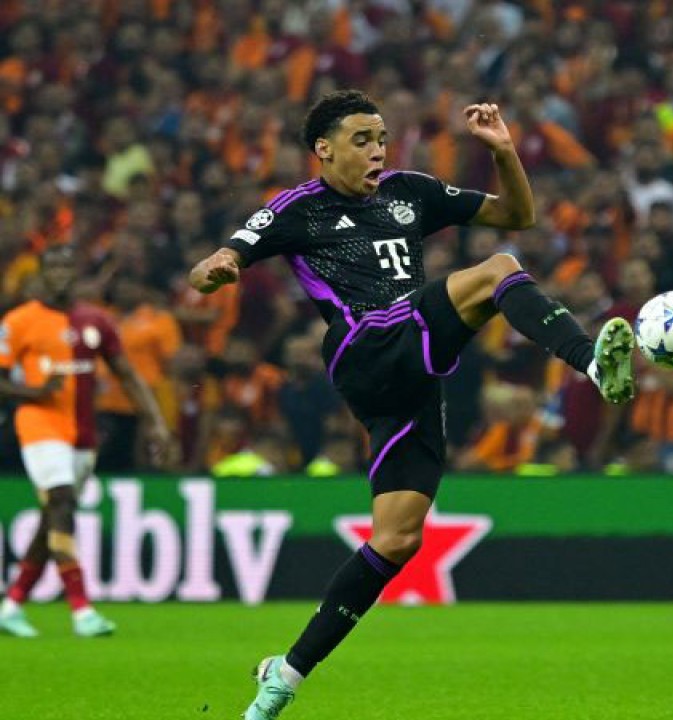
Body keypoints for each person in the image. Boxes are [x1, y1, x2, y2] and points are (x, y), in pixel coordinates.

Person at [187, 90, 635, 720]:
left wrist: (504, 151)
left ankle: (281, 678)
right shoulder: (297, 209)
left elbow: (517, 213)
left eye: (381, 139)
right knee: (498, 269)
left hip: (410, 379)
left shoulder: (408, 193)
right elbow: (220, 260)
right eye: (362, 140)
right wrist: (219, 267)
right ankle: (591, 362)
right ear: (324, 149)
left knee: (397, 539)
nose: (378, 150)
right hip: (365, 347)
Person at [0, 246, 174, 638]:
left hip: (82, 433)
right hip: (39, 424)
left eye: (67, 266)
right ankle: (82, 610)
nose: (60, 273)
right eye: (53, 266)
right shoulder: (19, 321)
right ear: (41, 274)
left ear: (76, 272)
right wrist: (33, 393)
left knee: (53, 517)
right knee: (61, 501)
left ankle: (12, 604)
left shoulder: (96, 321)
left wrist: (156, 423)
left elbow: (127, 375)